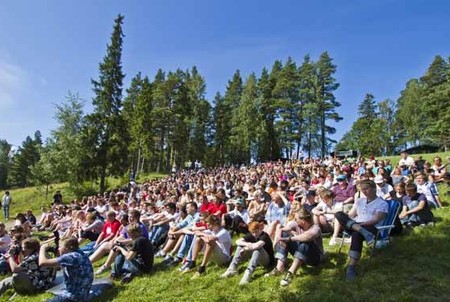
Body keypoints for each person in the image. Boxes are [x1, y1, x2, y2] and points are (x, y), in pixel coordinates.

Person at [334, 180, 388, 281]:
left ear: (374, 188)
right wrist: (349, 221)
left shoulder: (382, 204)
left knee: (356, 234)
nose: (364, 191)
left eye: (366, 189)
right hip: (357, 226)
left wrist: (358, 225)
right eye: (362, 189)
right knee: (338, 214)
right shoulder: (359, 201)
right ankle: (362, 231)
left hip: (372, 229)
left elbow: (375, 220)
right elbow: (350, 215)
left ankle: (351, 267)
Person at [267, 208, 325, 286]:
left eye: (296, 219)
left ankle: (291, 272)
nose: (294, 220)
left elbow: (307, 237)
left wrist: (289, 239)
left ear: (303, 221)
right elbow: (281, 228)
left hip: (315, 258)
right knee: (284, 235)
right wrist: (280, 238)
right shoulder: (297, 224)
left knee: (305, 242)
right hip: (302, 253)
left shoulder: (316, 228)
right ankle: (279, 267)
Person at [39, 236, 94, 302]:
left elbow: (42, 263)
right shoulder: (79, 253)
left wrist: (42, 249)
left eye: (60, 246)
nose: (58, 249)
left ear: (69, 247)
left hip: (72, 297)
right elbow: (59, 267)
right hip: (83, 294)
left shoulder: (70, 257)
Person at [220, 220, 275, 285]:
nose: (254, 234)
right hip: (257, 259)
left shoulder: (264, 236)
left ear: (260, 229)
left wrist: (246, 248)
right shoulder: (252, 235)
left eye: (256, 232)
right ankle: (232, 268)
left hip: (267, 261)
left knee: (258, 249)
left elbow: (257, 245)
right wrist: (247, 244)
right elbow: (237, 241)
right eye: (252, 232)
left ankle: (248, 273)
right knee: (240, 246)